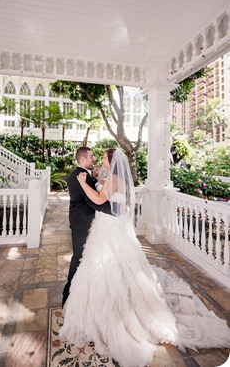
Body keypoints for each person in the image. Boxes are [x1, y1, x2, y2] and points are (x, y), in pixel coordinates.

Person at [60, 148, 230, 367]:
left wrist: (84, 184)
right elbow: (108, 197)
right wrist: (93, 179)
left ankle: (116, 313)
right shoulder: (111, 176)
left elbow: (100, 199)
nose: (100, 160)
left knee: (109, 269)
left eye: (102, 158)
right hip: (107, 227)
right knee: (106, 267)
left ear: (111, 162)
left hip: (108, 229)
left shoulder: (113, 177)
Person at [61, 146, 112, 307]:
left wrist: (95, 179)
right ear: (82, 159)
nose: (94, 159)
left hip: (85, 221)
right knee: (78, 257)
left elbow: (92, 191)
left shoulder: (84, 174)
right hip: (82, 223)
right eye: (91, 157)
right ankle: (68, 295)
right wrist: (114, 210)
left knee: (87, 257)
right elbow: (94, 201)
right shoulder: (79, 176)